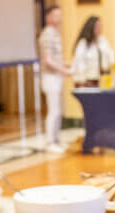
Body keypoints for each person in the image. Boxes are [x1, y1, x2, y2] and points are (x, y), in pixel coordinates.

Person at [39, 4, 70, 154]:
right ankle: (50, 141)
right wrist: (64, 70)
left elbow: (55, 58)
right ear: (49, 17)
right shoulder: (47, 34)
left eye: (60, 15)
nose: (59, 19)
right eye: (56, 15)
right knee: (54, 110)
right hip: (50, 77)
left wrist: (66, 65)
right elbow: (48, 60)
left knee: (57, 110)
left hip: (56, 76)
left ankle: (56, 139)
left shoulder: (55, 34)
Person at [72, 16, 114, 88]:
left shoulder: (103, 41)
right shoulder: (83, 43)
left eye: (100, 26)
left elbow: (111, 58)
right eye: (97, 26)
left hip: (102, 79)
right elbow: (78, 63)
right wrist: (82, 81)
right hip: (88, 81)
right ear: (91, 27)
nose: (99, 28)